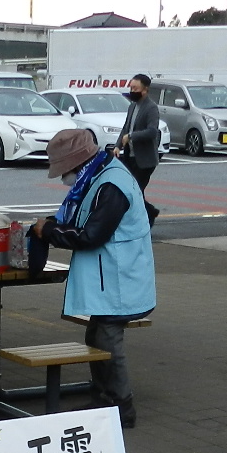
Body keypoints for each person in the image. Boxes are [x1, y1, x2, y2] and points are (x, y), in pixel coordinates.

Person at [34, 127, 156, 429]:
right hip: (112, 277)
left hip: (119, 279)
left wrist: (48, 231)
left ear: (76, 163)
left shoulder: (111, 184)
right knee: (97, 336)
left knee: (107, 340)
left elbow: (91, 235)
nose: (63, 178)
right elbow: (82, 221)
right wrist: (52, 226)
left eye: (64, 170)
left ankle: (121, 406)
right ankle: (104, 398)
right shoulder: (99, 175)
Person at [114, 73, 160, 225]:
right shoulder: (132, 106)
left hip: (145, 160)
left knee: (135, 191)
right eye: (131, 88)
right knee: (131, 190)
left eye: (135, 88)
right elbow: (126, 128)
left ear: (145, 90)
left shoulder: (151, 108)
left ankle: (147, 215)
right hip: (130, 157)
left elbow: (152, 131)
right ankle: (148, 213)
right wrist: (118, 145)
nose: (132, 91)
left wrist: (132, 136)